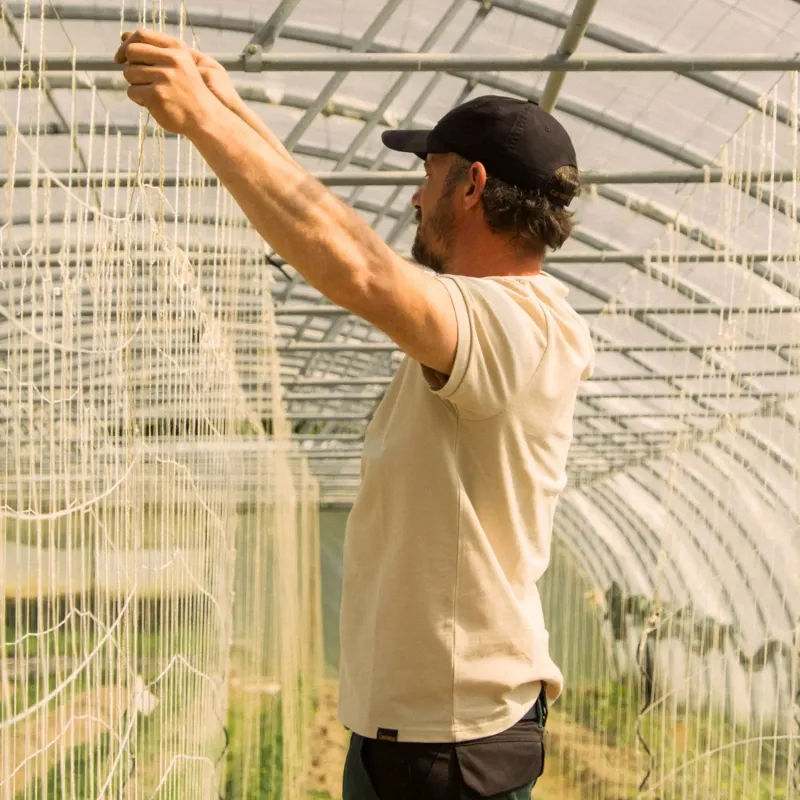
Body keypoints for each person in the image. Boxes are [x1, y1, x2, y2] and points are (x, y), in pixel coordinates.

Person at [115, 30, 595, 799]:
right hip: (406, 737)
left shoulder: (521, 325)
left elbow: (360, 265)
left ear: (471, 186)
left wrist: (205, 123)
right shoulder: (482, 317)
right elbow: (343, 236)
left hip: (456, 753)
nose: (413, 195)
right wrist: (229, 108)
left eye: (427, 174)